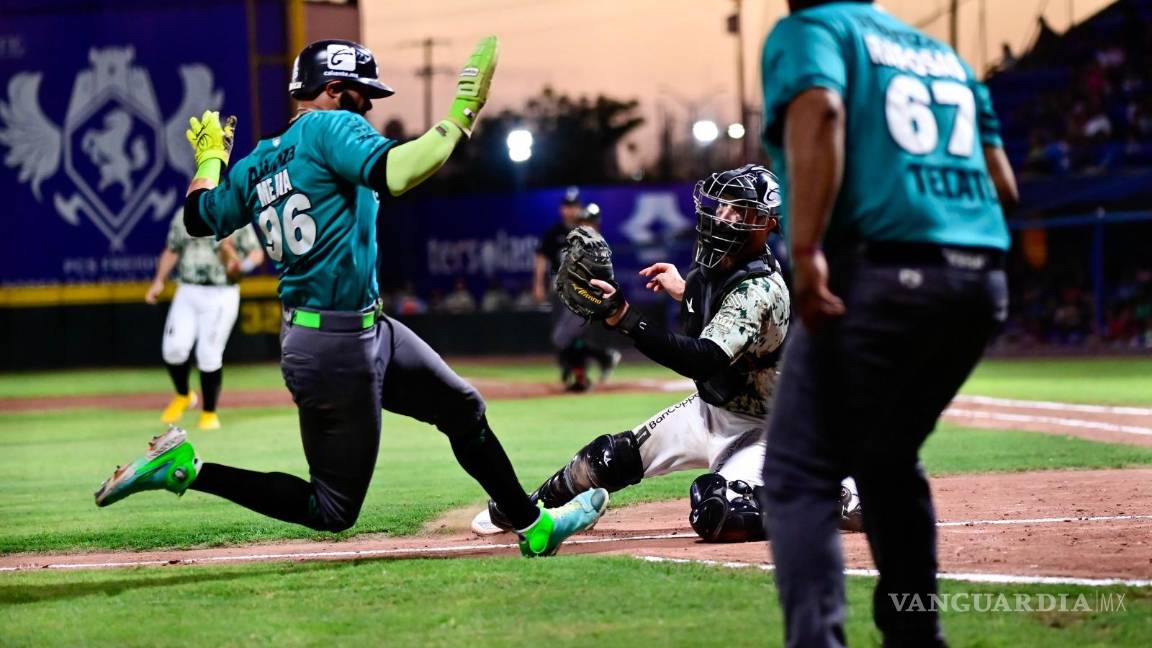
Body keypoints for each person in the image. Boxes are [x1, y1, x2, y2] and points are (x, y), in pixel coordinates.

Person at [95, 37, 607, 558]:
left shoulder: (256, 161)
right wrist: (464, 109)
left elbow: (200, 216)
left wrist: (209, 159)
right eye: (364, 95)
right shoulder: (330, 125)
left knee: (463, 410)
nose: (370, 108)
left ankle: (533, 526)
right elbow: (400, 172)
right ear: (334, 89)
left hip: (350, 329)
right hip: (337, 345)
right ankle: (187, 468)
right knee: (333, 509)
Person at [758, 2, 1017, 645]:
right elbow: (1003, 185)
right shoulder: (944, 58)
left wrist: (810, 249)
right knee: (887, 459)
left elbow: (821, 110)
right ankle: (914, 635)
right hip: (979, 282)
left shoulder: (811, 32)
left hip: (881, 278)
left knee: (799, 472)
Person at [471, 165, 862, 542]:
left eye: (738, 209)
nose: (723, 215)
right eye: (722, 205)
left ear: (767, 224)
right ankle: (526, 508)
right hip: (712, 409)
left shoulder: (761, 288)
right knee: (608, 457)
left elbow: (703, 358)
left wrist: (627, 319)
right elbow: (712, 303)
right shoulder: (719, 267)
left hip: (764, 428)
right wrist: (682, 288)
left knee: (718, 512)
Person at [145, 210, 263, 430]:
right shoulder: (184, 214)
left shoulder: (231, 211)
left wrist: (242, 266)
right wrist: (159, 281)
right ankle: (184, 395)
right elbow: (172, 250)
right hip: (188, 288)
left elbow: (256, 253)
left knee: (208, 354)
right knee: (174, 349)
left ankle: (209, 412)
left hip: (221, 292)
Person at [534, 188, 620, 391]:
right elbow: (543, 257)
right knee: (568, 338)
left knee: (563, 337)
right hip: (566, 294)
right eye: (567, 206)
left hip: (583, 294)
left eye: (574, 207)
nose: (570, 211)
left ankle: (584, 374)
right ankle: (598, 360)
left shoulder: (589, 238)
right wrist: (539, 284)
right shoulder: (558, 233)